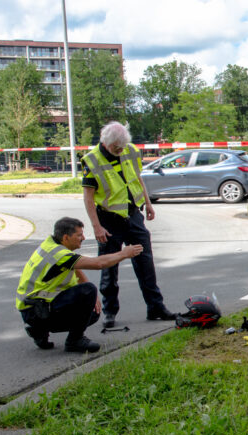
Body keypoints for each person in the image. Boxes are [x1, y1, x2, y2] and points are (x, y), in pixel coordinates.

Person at [81, 121, 177, 328]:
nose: (121, 151)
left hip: (133, 216)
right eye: (117, 148)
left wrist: (148, 204)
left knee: (146, 264)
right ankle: (110, 312)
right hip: (108, 220)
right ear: (105, 143)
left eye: (123, 147)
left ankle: (155, 307)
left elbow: (137, 178)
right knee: (109, 267)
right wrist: (97, 227)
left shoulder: (131, 151)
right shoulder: (92, 161)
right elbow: (88, 198)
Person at [16, 217, 143, 353]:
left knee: (93, 311)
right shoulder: (59, 254)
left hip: (34, 308)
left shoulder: (51, 245)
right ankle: (74, 341)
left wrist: (93, 298)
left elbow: (74, 267)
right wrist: (124, 254)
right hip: (37, 310)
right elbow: (98, 263)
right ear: (65, 237)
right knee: (88, 291)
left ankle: (39, 330)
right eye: (79, 235)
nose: (83, 237)